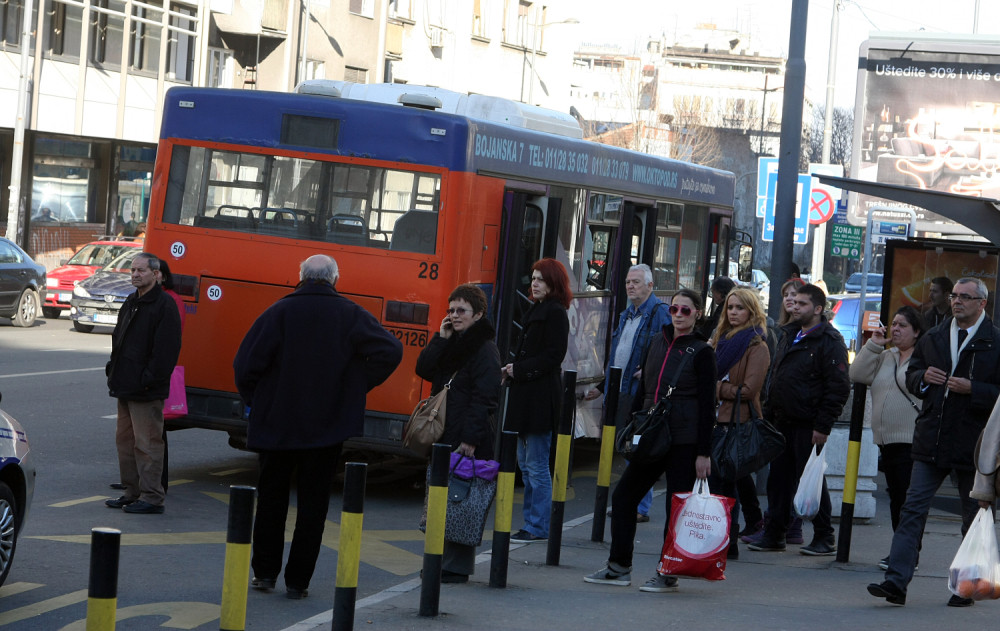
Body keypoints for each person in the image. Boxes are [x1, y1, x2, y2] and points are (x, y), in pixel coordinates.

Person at [234, 255, 402, 599]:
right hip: (326, 426)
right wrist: (355, 386)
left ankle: (264, 573)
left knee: (271, 499)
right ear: (335, 279)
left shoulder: (278, 311)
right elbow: (391, 349)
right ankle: (299, 581)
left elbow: (245, 364)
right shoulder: (350, 314)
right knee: (314, 506)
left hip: (277, 422)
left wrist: (257, 398)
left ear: (300, 276)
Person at [869, 278, 1000, 607]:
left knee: (973, 515)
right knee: (912, 509)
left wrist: (975, 389)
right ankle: (896, 582)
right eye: (954, 296)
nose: (957, 302)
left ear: (982, 304)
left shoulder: (994, 341)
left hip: (975, 443)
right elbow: (913, 373)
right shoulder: (936, 335)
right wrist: (922, 379)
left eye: (965, 297)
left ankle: (966, 586)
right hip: (931, 438)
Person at [584, 288, 717, 592]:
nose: (679, 315)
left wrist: (703, 452)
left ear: (697, 314)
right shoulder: (657, 341)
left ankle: (667, 572)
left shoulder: (702, 352)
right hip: (652, 434)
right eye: (674, 309)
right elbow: (644, 387)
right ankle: (619, 567)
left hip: (684, 440)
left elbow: (708, 406)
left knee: (676, 508)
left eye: (686, 310)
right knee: (624, 498)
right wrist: (631, 426)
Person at [748, 283, 850, 556]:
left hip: (808, 423)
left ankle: (824, 536)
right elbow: (777, 377)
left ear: (818, 309)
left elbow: (838, 387)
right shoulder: (789, 333)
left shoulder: (829, 341)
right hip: (782, 420)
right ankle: (774, 532)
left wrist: (823, 425)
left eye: (802, 303)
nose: (795, 306)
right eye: (793, 302)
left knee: (811, 482)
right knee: (778, 481)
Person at [415, 283, 501, 583]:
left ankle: (456, 567)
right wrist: (440, 338)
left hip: (466, 435)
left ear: (478, 314)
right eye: (450, 310)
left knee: (461, 500)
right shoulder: (452, 341)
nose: (454, 315)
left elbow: (486, 397)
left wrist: (470, 439)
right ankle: (440, 563)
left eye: (461, 310)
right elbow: (424, 369)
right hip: (444, 432)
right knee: (442, 498)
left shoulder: (485, 349)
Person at [584, 263, 671, 523]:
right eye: (627, 282)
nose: (630, 286)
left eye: (635, 282)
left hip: (641, 394)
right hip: (620, 390)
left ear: (650, 286)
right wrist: (602, 387)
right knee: (625, 447)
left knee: (637, 449)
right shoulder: (626, 314)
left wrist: (649, 371)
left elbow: (669, 351)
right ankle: (633, 502)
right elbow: (618, 355)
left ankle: (639, 506)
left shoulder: (660, 313)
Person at [104, 253, 182, 515]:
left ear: (155, 274)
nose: (135, 274)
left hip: (146, 390)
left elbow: (166, 352)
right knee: (125, 442)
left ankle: (152, 497)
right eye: (133, 270)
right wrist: (112, 369)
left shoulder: (164, 305)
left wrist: (148, 380)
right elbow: (119, 339)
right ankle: (132, 492)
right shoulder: (132, 301)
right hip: (125, 384)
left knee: (147, 444)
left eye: (141, 270)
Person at [849, 306, 924, 569]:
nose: (895, 329)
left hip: (912, 439)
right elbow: (857, 374)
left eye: (902, 325)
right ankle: (904, 550)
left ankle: (906, 554)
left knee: (906, 500)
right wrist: (874, 345)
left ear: (916, 331)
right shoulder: (886, 355)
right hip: (886, 440)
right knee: (897, 498)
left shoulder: (924, 358)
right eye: (893, 324)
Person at [503, 258, 571, 544]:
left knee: (536, 464)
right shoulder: (537, 309)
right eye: (533, 278)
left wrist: (517, 369)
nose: (534, 283)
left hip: (540, 397)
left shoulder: (555, 313)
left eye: (541, 279)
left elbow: (552, 356)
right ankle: (531, 523)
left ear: (554, 283)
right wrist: (513, 370)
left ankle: (536, 525)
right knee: (525, 463)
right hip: (526, 395)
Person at [741, 276, 805, 545]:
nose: (790, 299)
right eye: (787, 295)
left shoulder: (805, 333)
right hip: (776, 410)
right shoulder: (781, 330)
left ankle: (793, 525)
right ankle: (779, 524)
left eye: (796, 296)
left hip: (795, 413)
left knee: (795, 475)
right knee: (780, 475)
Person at [708, 287, 770, 560]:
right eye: (730, 307)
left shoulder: (756, 344)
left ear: (752, 312)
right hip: (713, 420)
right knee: (713, 485)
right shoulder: (719, 339)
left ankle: (727, 543)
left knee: (725, 484)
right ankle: (715, 540)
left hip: (737, 422)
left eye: (739, 308)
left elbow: (748, 390)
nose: (733, 312)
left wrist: (718, 388)